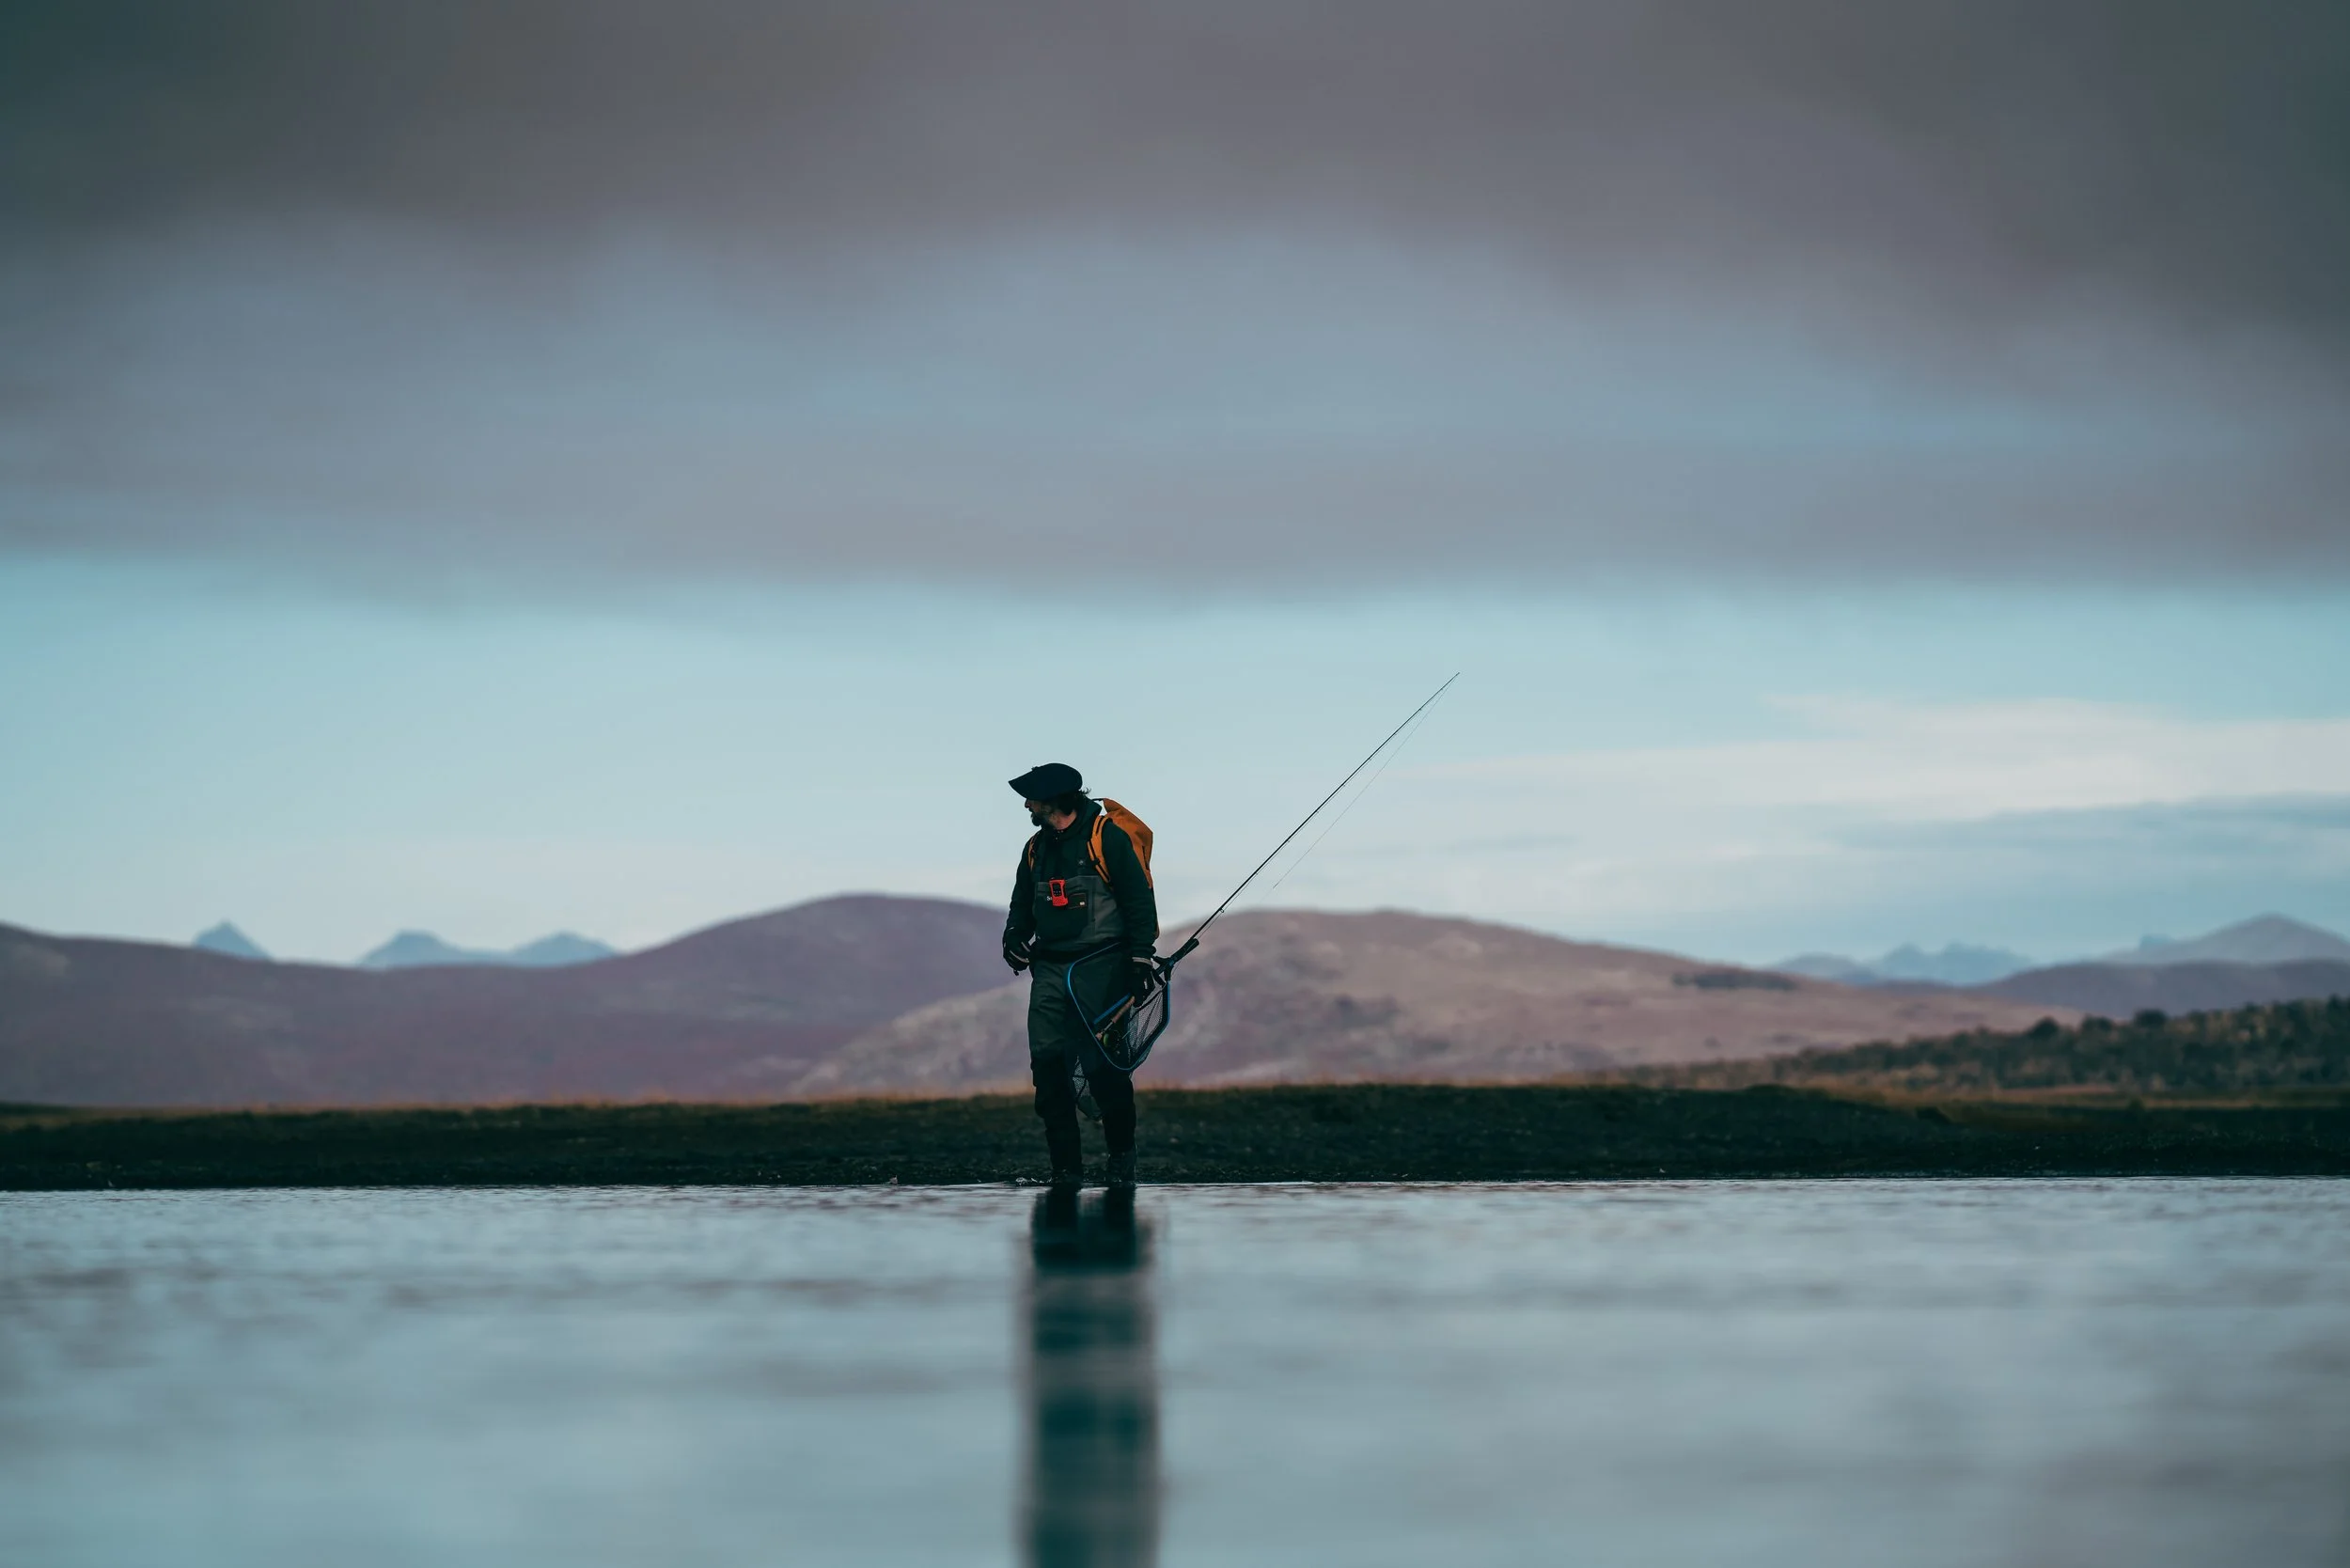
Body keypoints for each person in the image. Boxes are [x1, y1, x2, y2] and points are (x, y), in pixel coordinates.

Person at [1002, 762, 1158, 1190]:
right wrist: (1013, 937)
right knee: (1049, 1071)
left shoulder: (1106, 838)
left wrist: (1141, 959)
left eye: (1032, 797)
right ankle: (1065, 1175)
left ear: (1055, 800)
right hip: (1049, 972)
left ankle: (1121, 1165)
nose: (1027, 804)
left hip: (1104, 969)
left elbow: (1138, 902)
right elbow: (1020, 908)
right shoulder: (1034, 848)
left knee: (1105, 1070)